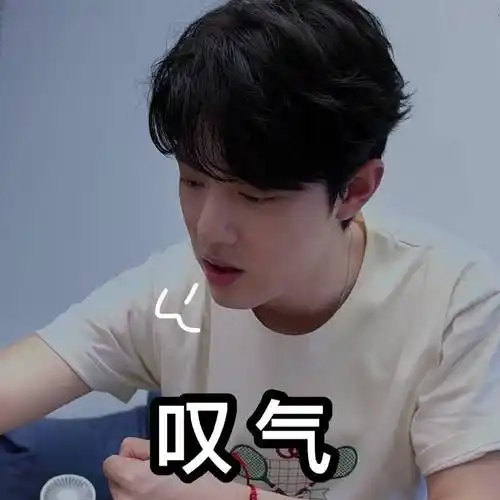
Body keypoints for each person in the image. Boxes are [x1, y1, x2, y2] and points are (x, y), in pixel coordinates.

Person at [1, 0, 500, 499]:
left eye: (254, 197)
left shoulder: (453, 305)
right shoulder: (171, 294)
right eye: (192, 181)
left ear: (354, 190)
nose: (208, 231)